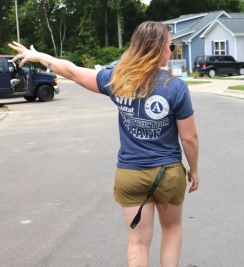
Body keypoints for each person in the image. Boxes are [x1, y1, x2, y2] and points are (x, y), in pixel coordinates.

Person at [9, 21, 199, 267]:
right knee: (172, 230)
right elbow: (189, 138)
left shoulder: (118, 80)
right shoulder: (176, 87)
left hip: (130, 174)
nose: (171, 50)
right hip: (168, 174)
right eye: (169, 45)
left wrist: (39, 56)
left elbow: (74, 72)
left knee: (137, 243)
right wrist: (193, 169)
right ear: (158, 49)